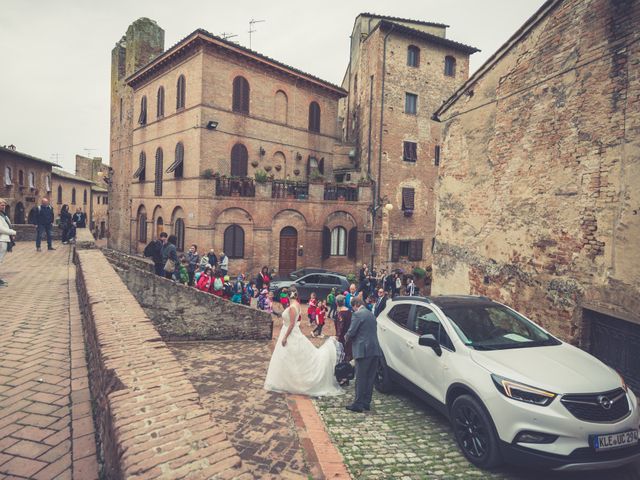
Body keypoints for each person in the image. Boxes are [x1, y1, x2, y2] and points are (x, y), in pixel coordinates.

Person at [264, 287, 344, 396]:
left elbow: (292, 324)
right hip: (291, 331)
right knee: (289, 357)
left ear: (288, 295)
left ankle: (290, 382)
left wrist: (285, 337)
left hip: (290, 333)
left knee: (288, 357)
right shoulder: (296, 304)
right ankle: (287, 379)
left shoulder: (292, 307)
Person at [344, 296, 383, 413]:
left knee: (361, 377)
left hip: (363, 351)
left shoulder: (358, 314)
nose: (353, 310)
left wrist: (346, 337)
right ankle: (366, 402)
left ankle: (358, 404)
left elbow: (351, 331)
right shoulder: (371, 314)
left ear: (356, 305)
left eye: (353, 308)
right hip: (375, 349)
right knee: (370, 378)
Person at [0, 198, 17, 287]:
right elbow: (1, 229)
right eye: (1, 205)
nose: (3, 206)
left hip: (5, 239)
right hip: (1, 240)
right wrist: (13, 232)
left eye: (4, 205)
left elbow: (8, 226)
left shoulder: (4, 215)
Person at [335, 295, 352, 362]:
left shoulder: (340, 313)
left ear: (337, 303)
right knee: (348, 351)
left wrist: (337, 336)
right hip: (349, 334)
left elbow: (340, 326)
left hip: (342, 336)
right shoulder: (349, 311)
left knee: (342, 352)